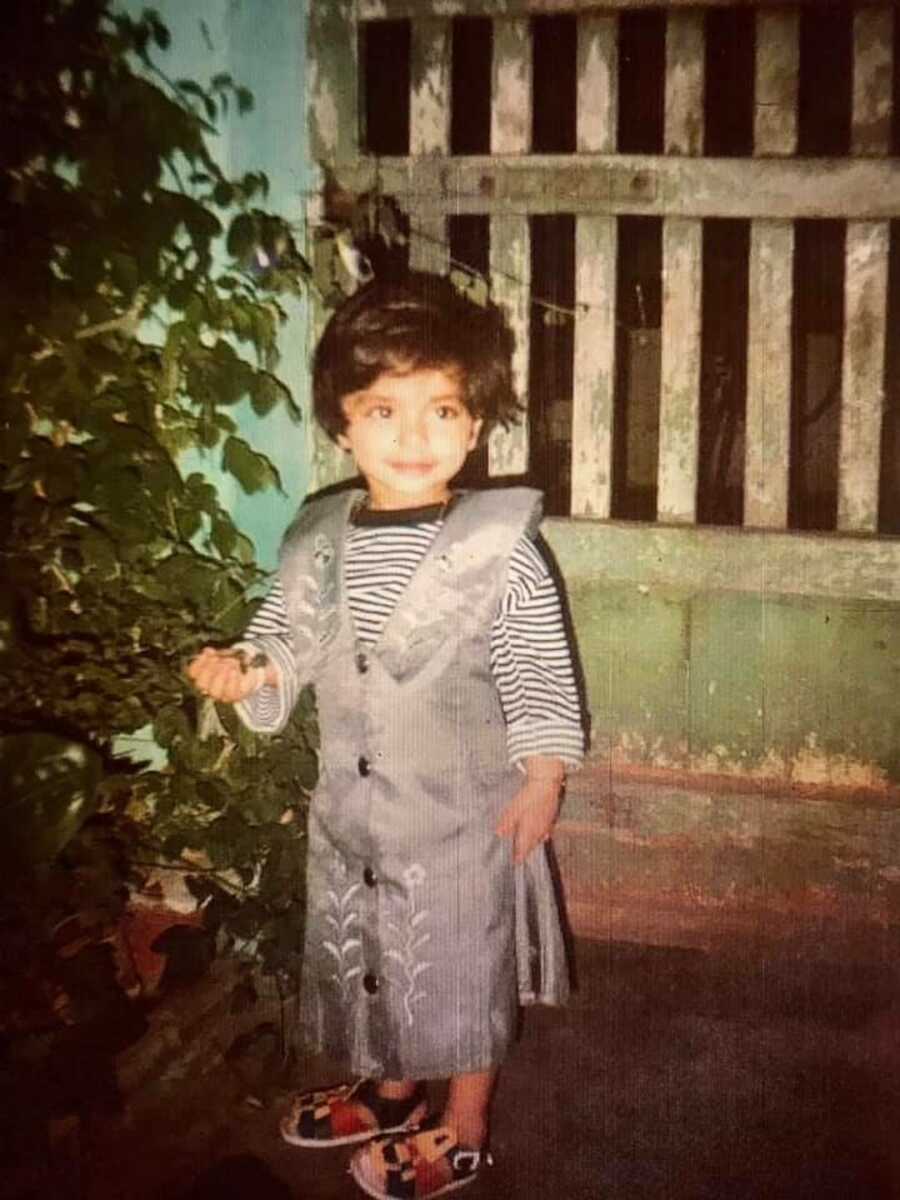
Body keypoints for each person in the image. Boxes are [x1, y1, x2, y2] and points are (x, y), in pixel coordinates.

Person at [187, 273, 586, 1200]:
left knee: (461, 962)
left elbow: (539, 666)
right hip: (356, 805)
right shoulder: (318, 536)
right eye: (384, 410)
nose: (414, 437)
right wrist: (248, 669)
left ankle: (467, 1123)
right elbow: (286, 633)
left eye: (442, 409)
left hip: (466, 816)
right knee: (373, 945)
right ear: (343, 425)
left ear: (477, 424)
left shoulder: (500, 545)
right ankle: (397, 1088)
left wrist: (546, 775)